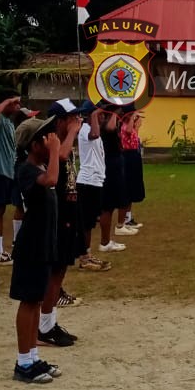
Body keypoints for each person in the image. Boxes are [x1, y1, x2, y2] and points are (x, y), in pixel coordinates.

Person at [11, 113, 64, 384]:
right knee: (28, 302)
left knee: (35, 301)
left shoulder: (40, 168)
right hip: (31, 246)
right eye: (46, 138)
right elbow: (52, 179)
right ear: (33, 146)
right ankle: (23, 362)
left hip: (43, 244)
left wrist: (53, 150)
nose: (52, 141)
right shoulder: (28, 170)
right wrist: (55, 151)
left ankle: (32, 356)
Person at [37, 101, 85, 348]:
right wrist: (74, 132)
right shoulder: (50, 140)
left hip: (69, 208)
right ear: (60, 120)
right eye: (72, 117)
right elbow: (61, 155)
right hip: (57, 211)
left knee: (61, 269)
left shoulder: (64, 139)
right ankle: (44, 326)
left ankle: (49, 322)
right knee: (54, 271)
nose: (77, 120)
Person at [0, 94, 24, 265]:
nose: (18, 106)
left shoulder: (9, 122)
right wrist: (7, 100)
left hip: (7, 172)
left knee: (0, 211)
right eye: (15, 103)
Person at [74, 102, 111, 271]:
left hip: (95, 181)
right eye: (100, 114)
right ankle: (84, 257)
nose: (103, 117)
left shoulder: (91, 130)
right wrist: (94, 114)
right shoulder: (84, 130)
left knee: (89, 222)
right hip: (87, 182)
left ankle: (86, 254)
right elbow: (94, 134)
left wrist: (95, 115)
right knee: (86, 223)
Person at [97, 104, 136, 253]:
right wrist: (114, 112)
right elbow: (111, 128)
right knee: (108, 206)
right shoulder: (105, 127)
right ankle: (105, 242)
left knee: (112, 204)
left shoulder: (108, 126)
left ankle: (107, 240)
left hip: (115, 166)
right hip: (110, 167)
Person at [120, 106, 146, 229]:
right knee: (128, 187)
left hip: (134, 156)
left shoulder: (130, 126)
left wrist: (137, 125)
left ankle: (128, 217)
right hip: (128, 157)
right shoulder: (123, 126)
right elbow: (129, 131)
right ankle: (125, 218)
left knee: (133, 188)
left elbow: (134, 138)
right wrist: (132, 116)